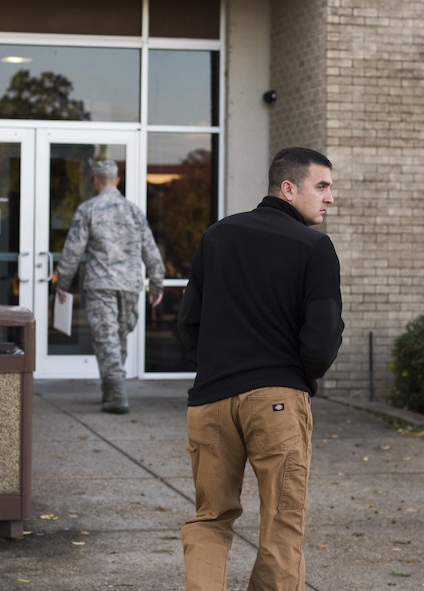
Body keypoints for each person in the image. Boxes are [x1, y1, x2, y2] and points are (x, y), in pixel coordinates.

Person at [177, 147, 344, 591]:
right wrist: (298, 373)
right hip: (277, 401)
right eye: (322, 186)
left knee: (210, 517)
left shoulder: (217, 236)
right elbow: (322, 338)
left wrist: (215, 367)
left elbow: (188, 322)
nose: (330, 198)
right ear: (288, 188)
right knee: (281, 524)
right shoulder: (315, 247)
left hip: (210, 401)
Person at [56, 159, 164, 414]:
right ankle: (111, 389)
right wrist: (156, 284)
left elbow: (72, 251)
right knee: (118, 337)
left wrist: (62, 283)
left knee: (106, 338)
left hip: (101, 284)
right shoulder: (134, 211)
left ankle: (116, 394)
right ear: (116, 180)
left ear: (95, 180)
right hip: (129, 285)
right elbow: (151, 250)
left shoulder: (88, 209)